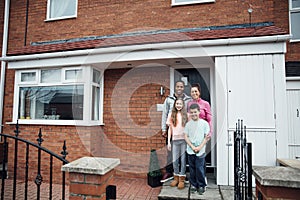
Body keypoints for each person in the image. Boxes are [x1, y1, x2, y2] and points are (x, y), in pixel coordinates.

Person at [161, 80, 191, 183]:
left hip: (183, 132)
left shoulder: (187, 99)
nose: (179, 88)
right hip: (172, 129)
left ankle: (182, 175)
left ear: (183, 88)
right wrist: (164, 129)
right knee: (170, 154)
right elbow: (164, 114)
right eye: (178, 86)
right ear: (175, 87)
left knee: (183, 155)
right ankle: (170, 172)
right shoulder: (169, 99)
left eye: (181, 87)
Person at [184, 103, 211, 195]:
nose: (193, 114)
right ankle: (194, 185)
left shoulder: (204, 124)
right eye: (191, 112)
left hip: (201, 150)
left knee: (200, 168)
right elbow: (186, 137)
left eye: (195, 112)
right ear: (189, 113)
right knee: (192, 169)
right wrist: (192, 147)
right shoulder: (188, 124)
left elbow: (206, 137)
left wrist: (199, 147)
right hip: (190, 150)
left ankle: (201, 185)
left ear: (199, 112)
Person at [166, 98, 188, 189]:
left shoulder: (186, 115)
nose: (178, 105)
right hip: (175, 140)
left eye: (180, 104)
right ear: (175, 104)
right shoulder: (171, 114)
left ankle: (182, 178)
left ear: (183, 105)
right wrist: (168, 142)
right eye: (177, 103)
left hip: (184, 140)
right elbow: (170, 129)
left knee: (183, 160)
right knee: (175, 160)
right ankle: (176, 177)